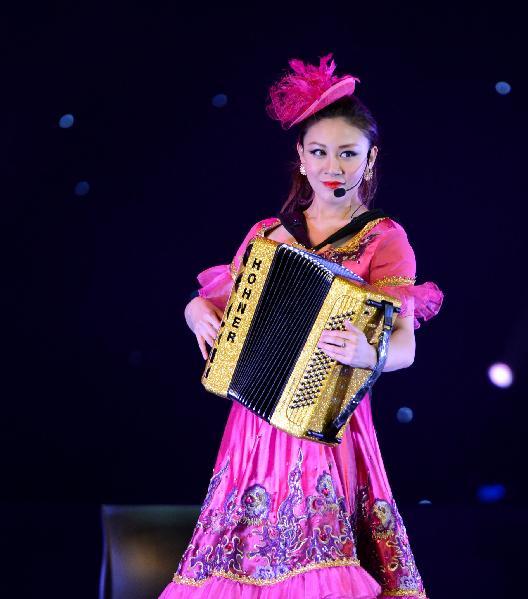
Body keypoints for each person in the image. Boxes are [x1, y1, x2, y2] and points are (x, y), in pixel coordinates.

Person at [159, 54, 443, 599]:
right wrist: (194, 310)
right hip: (253, 428)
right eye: (319, 152)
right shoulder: (268, 233)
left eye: (347, 153)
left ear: (370, 157)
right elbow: (218, 303)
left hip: (327, 425)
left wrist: (369, 353)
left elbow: (405, 344)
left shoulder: (383, 239)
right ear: (300, 156)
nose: (332, 165)